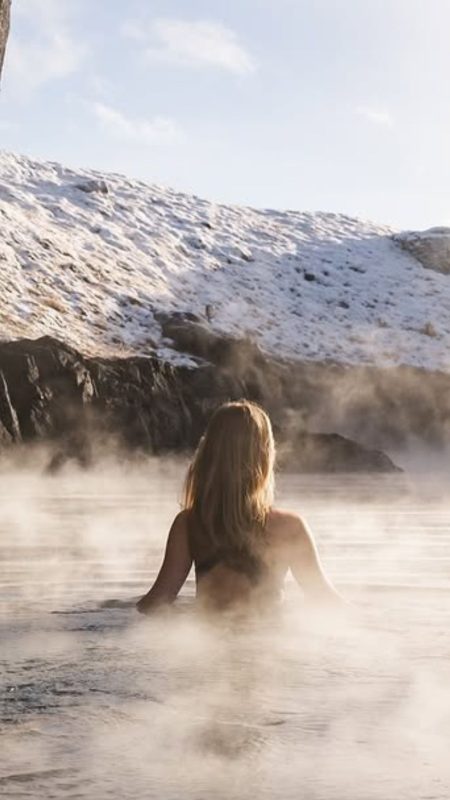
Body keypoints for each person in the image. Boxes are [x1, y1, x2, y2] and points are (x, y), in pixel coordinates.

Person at [136, 400, 342, 615]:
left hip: (208, 642)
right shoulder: (289, 527)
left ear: (209, 454)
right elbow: (324, 599)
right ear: (264, 457)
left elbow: (156, 603)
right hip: (268, 639)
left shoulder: (190, 524)